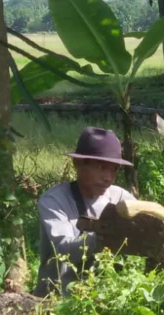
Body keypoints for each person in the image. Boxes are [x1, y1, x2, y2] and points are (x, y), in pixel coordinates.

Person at [35, 127, 137, 296]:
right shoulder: (54, 200)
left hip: (105, 297)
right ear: (78, 164)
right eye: (101, 167)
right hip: (57, 302)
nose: (108, 177)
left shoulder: (120, 197)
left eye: (114, 169)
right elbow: (62, 249)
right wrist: (103, 238)